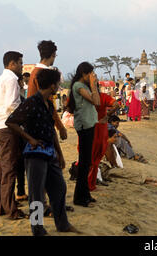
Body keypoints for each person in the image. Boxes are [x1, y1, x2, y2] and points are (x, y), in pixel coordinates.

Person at [6, 69, 79, 236]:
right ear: (52, 85)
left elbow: (51, 130)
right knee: (36, 195)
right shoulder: (32, 102)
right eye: (58, 84)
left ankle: (62, 224)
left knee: (59, 187)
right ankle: (37, 229)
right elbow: (11, 122)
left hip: (49, 152)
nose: (59, 86)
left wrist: (59, 153)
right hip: (35, 154)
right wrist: (30, 139)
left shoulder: (48, 103)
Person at [0, 51, 27, 220]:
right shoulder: (12, 79)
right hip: (8, 127)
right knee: (8, 168)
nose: (22, 66)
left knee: (0, 169)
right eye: (20, 63)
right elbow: (12, 105)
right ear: (12, 64)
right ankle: (10, 208)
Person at [67, 62, 100, 207]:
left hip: (89, 124)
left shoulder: (85, 86)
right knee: (84, 162)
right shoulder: (78, 86)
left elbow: (97, 101)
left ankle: (85, 193)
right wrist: (93, 85)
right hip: (84, 126)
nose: (92, 76)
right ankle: (79, 198)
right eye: (90, 74)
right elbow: (95, 101)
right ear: (84, 74)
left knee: (87, 162)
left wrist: (93, 85)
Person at [27, 40, 67, 142]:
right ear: (53, 54)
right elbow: (48, 103)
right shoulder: (43, 74)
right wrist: (60, 127)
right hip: (41, 121)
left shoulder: (34, 72)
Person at [88, 85, 118, 192]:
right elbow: (116, 105)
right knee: (96, 156)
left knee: (90, 155)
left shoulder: (87, 97)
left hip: (90, 128)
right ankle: (91, 183)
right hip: (100, 128)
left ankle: (89, 183)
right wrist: (107, 116)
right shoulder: (103, 97)